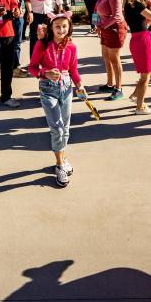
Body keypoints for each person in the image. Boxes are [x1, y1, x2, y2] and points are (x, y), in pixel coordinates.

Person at [28, 12, 87, 187]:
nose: (61, 30)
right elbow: (32, 68)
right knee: (57, 129)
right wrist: (44, 73)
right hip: (48, 89)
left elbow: (74, 70)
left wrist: (80, 86)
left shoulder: (72, 47)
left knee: (66, 128)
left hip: (67, 88)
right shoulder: (42, 44)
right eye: (57, 27)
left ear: (69, 28)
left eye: (64, 27)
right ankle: (60, 165)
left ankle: (61, 157)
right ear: (51, 28)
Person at [93, 0, 127, 100]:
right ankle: (110, 83)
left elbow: (117, 15)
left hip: (114, 29)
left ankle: (119, 88)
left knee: (114, 59)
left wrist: (102, 26)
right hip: (106, 28)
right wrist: (99, 25)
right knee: (106, 58)